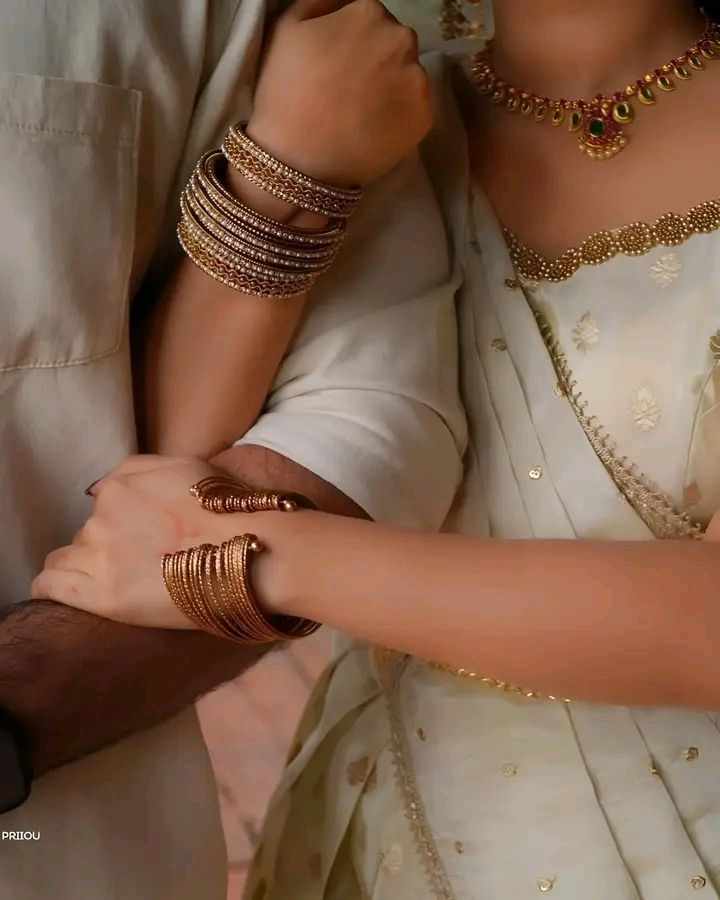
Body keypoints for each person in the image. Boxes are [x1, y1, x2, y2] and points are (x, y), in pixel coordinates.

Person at [32, 0, 720, 897]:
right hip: (392, 834)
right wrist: (287, 170)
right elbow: (170, 468)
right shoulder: (377, 106)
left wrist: (256, 560)